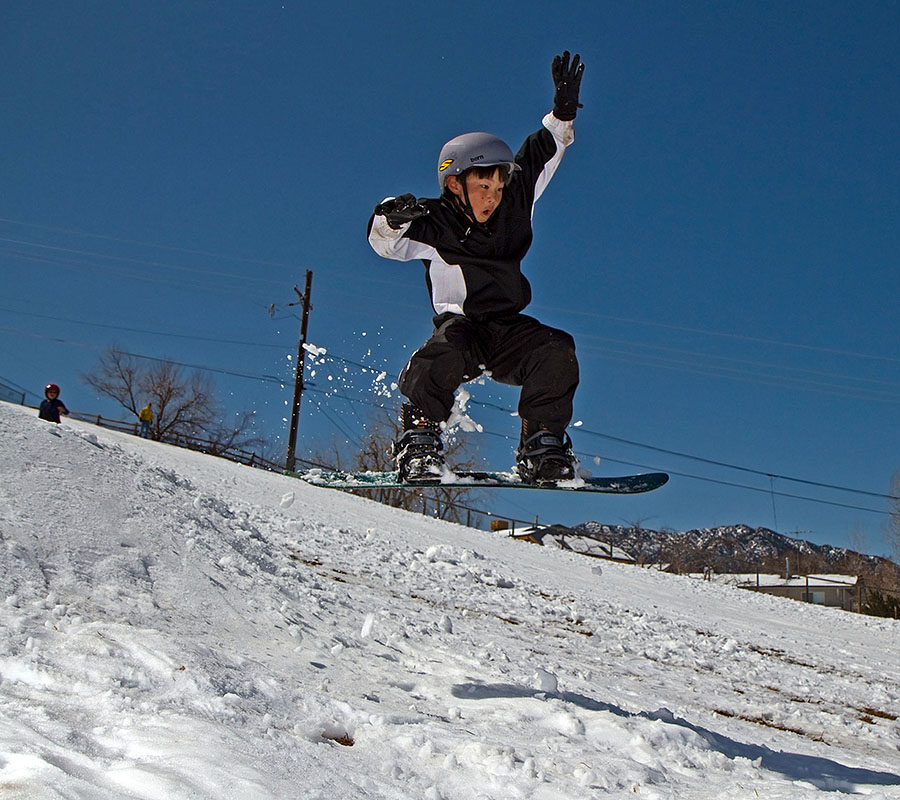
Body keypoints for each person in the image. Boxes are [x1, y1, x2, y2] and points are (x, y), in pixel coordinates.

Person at [367, 51, 585, 485]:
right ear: (454, 184)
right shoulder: (433, 221)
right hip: (462, 327)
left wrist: (562, 113)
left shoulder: (513, 202)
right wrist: (391, 218)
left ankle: (541, 443)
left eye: (499, 186)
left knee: (556, 348)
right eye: (483, 186)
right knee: (441, 353)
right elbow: (386, 244)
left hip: (507, 329)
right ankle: (420, 440)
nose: (493, 197)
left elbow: (544, 152)